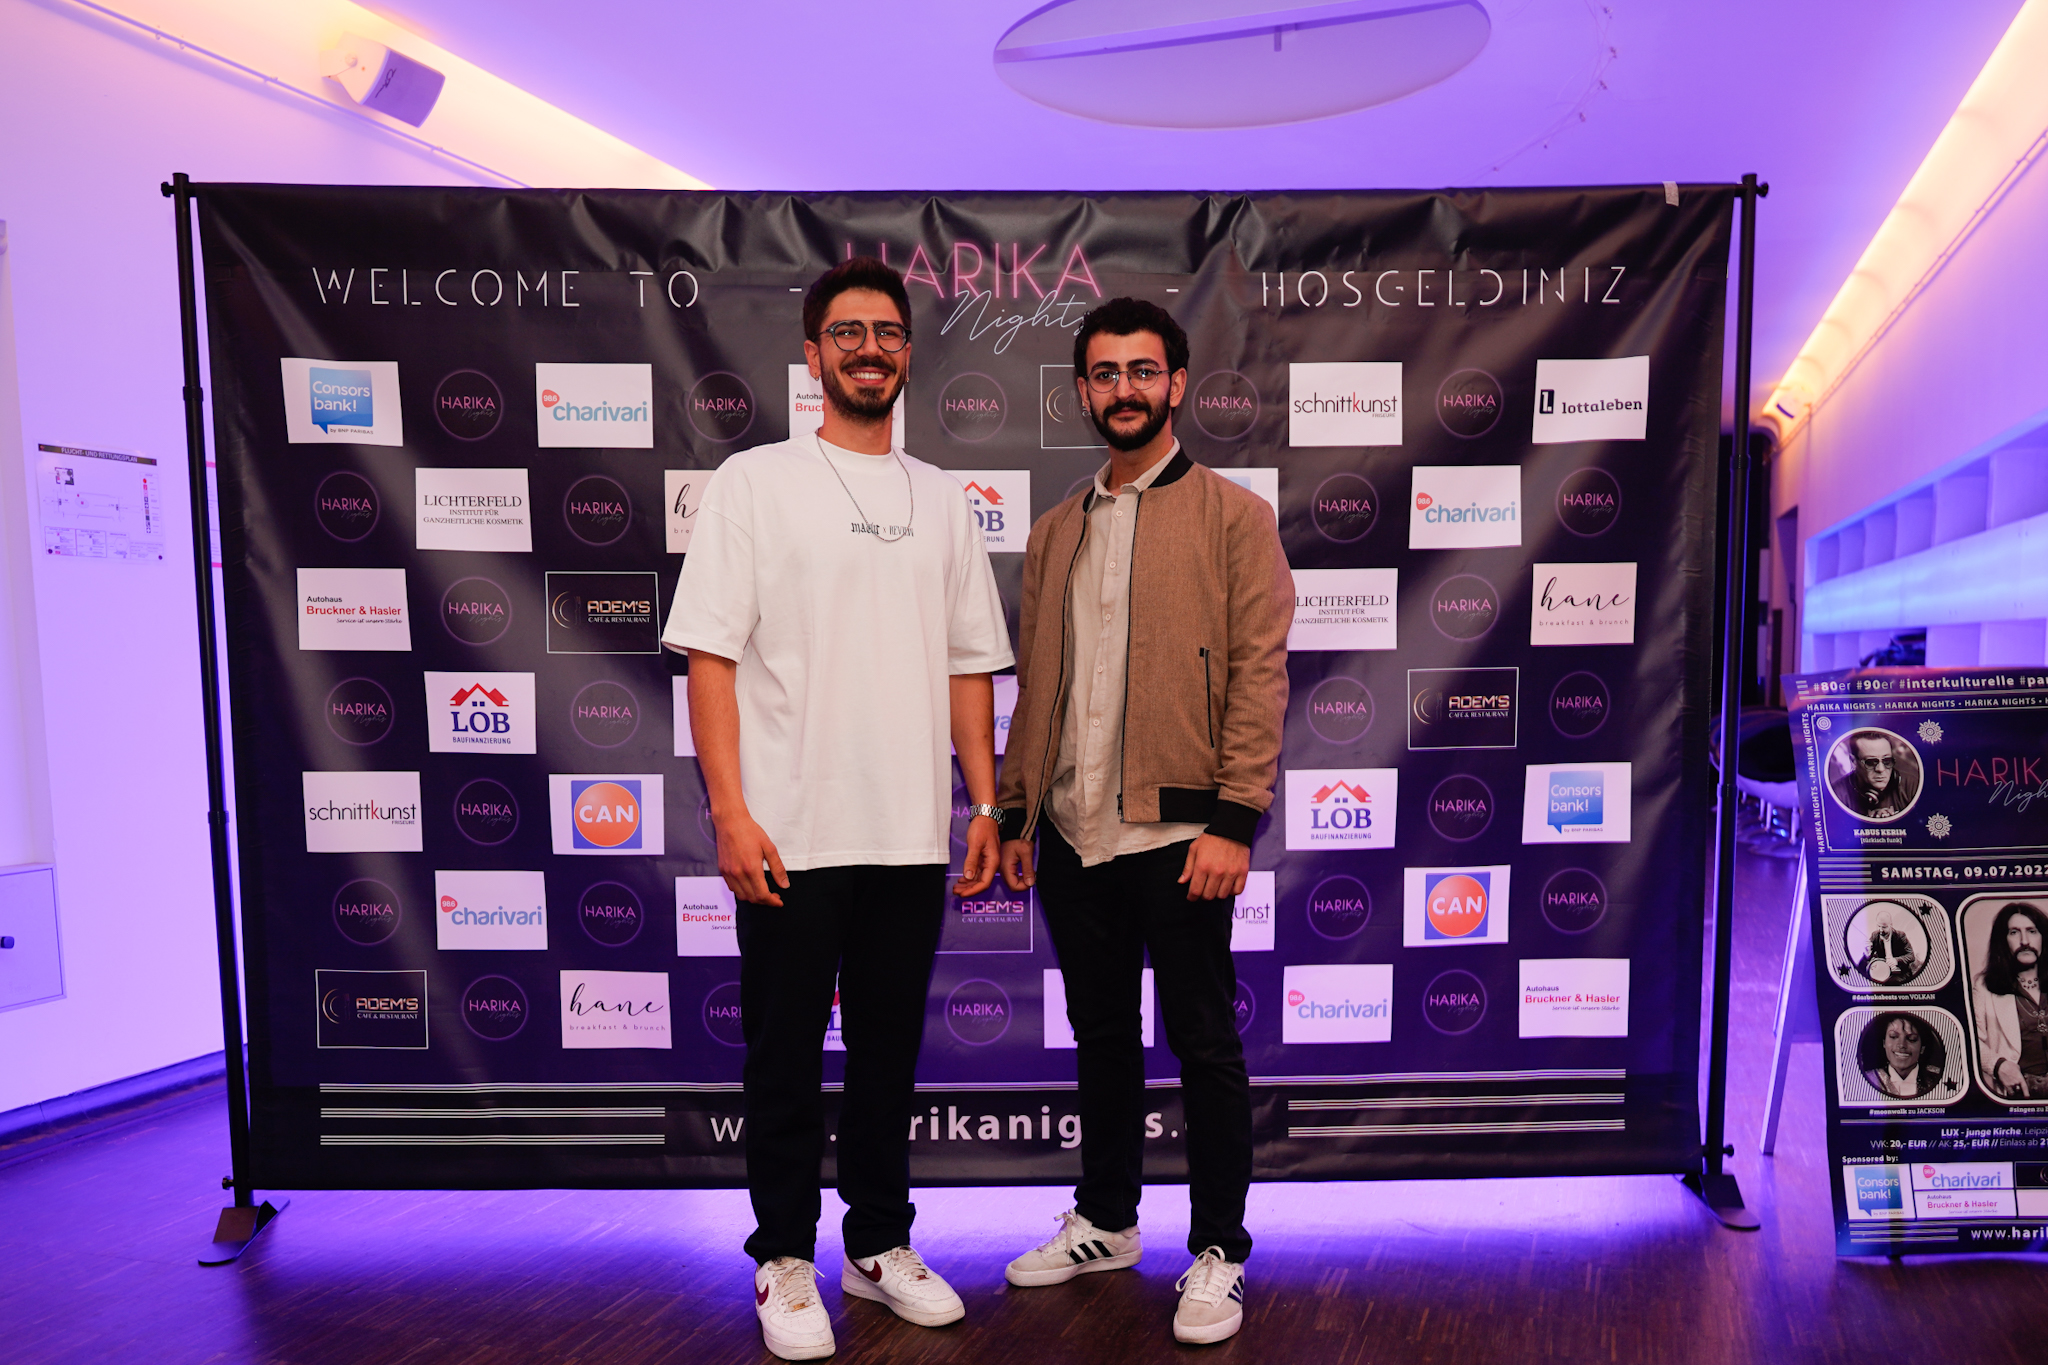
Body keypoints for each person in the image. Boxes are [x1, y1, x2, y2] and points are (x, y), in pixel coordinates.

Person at [663, 257, 1015, 1361]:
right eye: (848, 332)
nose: (870, 349)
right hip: (788, 832)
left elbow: (969, 664)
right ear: (813, 353)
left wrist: (984, 803)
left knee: (885, 1059)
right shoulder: (754, 482)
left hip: (906, 834)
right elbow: (709, 657)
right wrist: (729, 811)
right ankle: (781, 1256)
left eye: (888, 332)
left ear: (907, 352)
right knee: (781, 1057)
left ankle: (876, 1244)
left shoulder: (943, 497)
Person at [992, 297, 1291, 1346]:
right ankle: (1108, 1220)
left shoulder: (1232, 518)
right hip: (1073, 833)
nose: (1125, 389)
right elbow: (1039, 687)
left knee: (1204, 1042)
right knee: (1102, 1038)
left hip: (1181, 836)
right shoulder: (1054, 529)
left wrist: (1233, 818)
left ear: (1176, 385)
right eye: (1105, 373)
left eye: (1143, 370)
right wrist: (1017, 811)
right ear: (1082, 391)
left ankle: (1219, 1251)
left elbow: (1258, 675)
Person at [1973, 901, 2048, 1100]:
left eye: (2032, 931)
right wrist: (1998, 1065)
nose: (2024, 941)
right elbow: (1970, 1040)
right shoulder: (1984, 986)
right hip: (2018, 1093)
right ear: (2003, 940)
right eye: (2014, 932)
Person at [1856, 1011, 1944, 1100]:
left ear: (1922, 1048)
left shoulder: (1937, 1077)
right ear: (1884, 1043)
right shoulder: (1865, 1079)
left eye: (1911, 1039)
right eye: (1893, 1036)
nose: (1901, 1045)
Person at [1828, 730, 1915, 819]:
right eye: (1871, 762)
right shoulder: (1837, 794)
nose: (1881, 769)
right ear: (1854, 762)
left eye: (1887, 761)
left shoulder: (1911, 786)